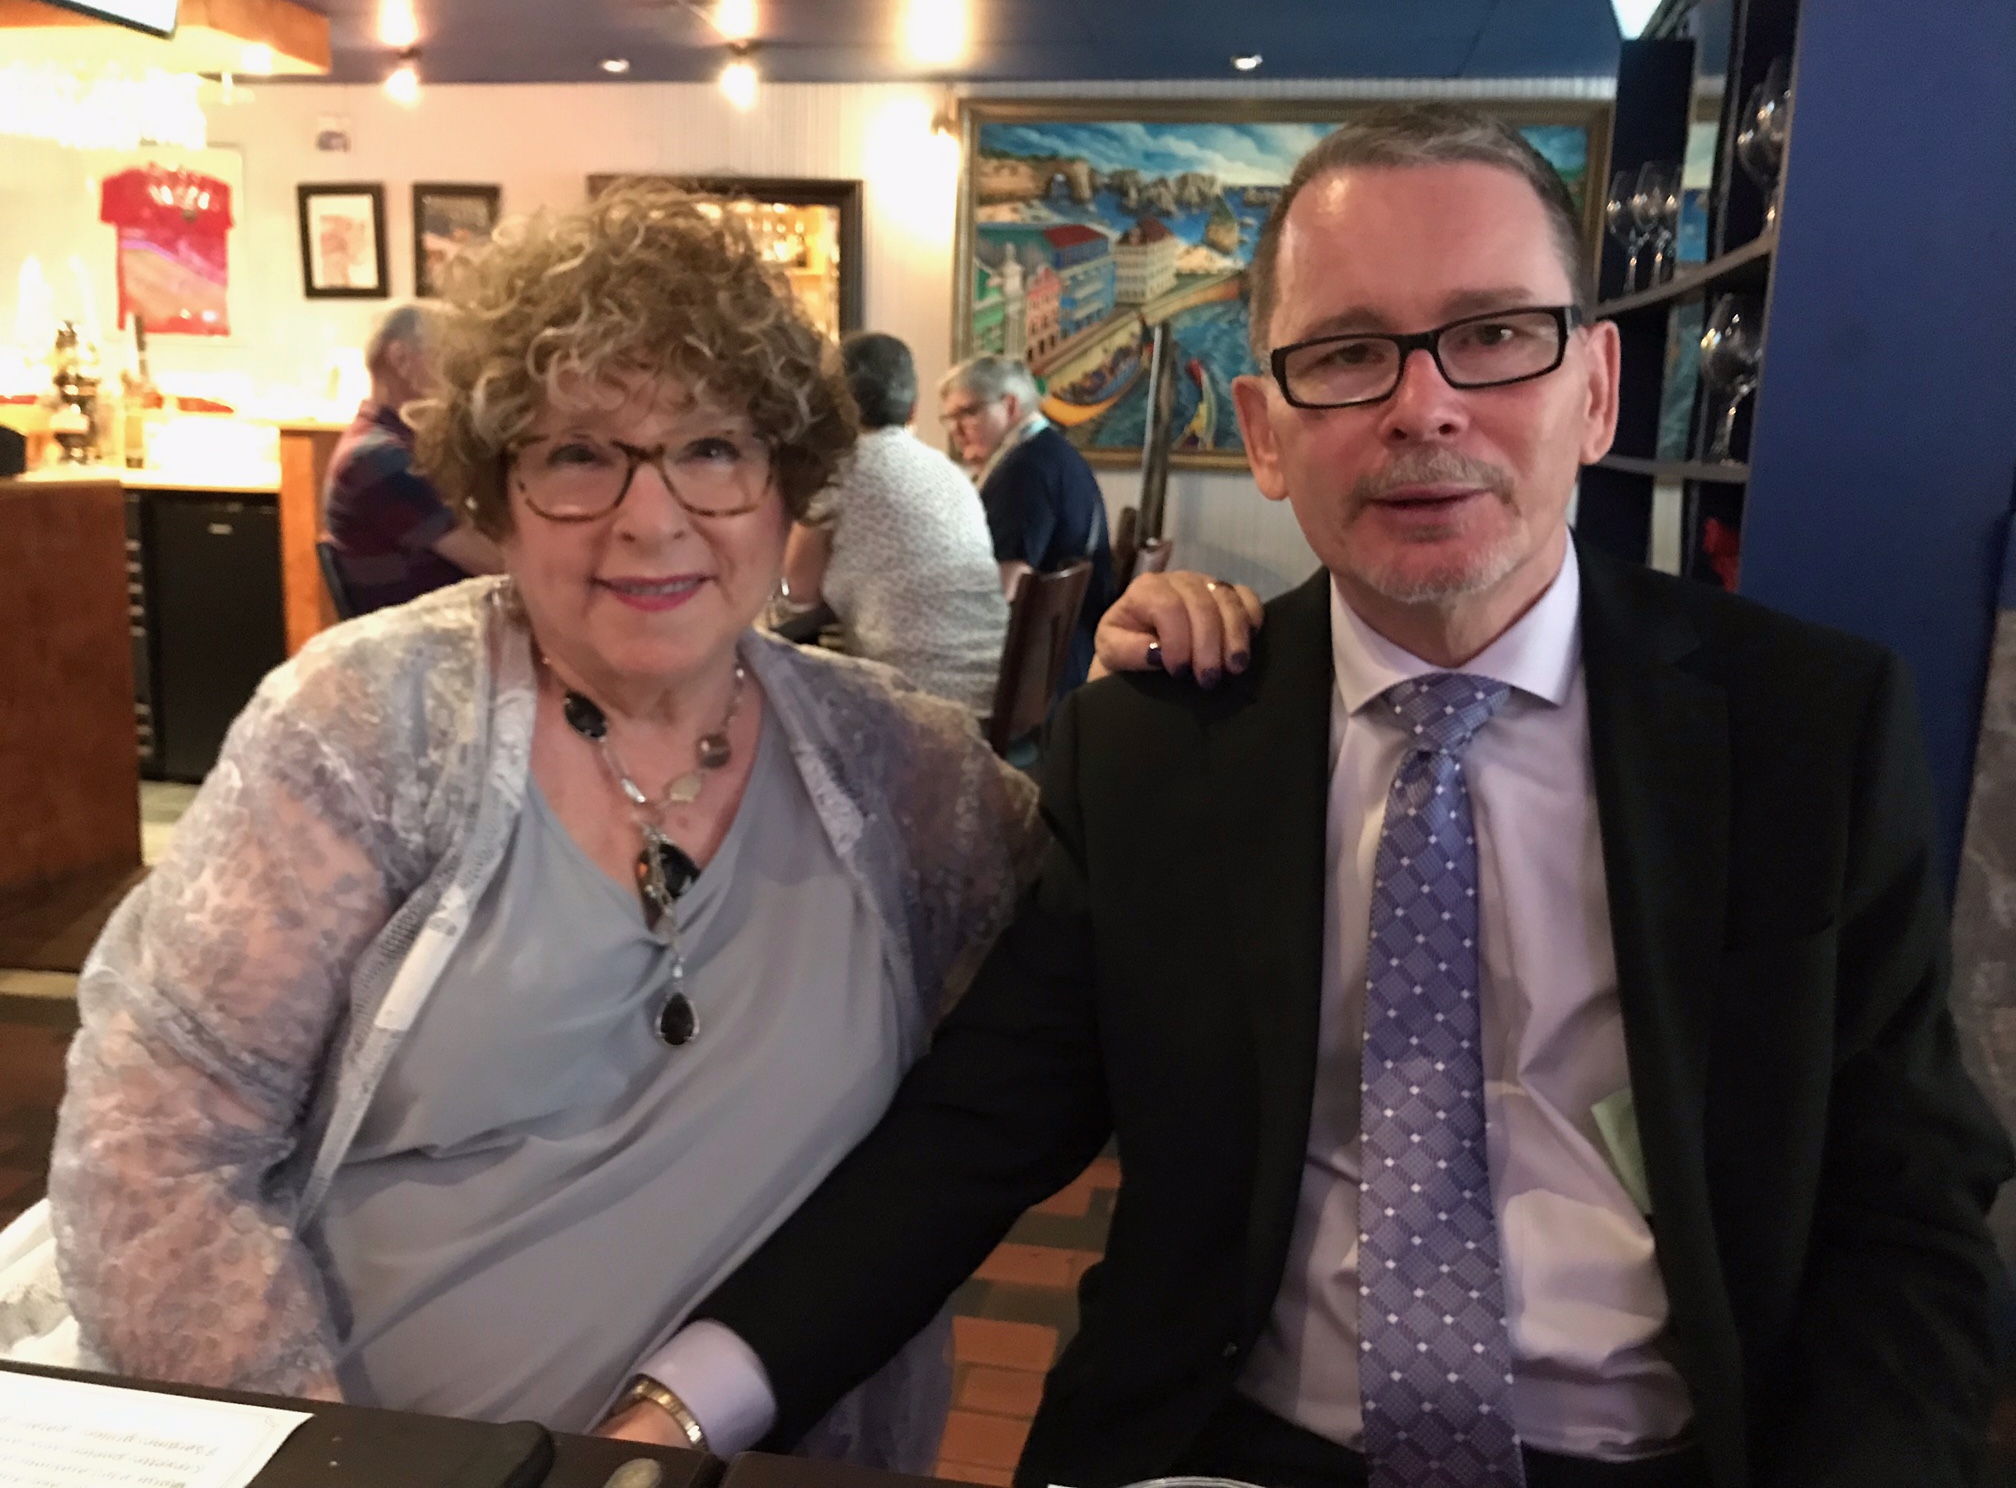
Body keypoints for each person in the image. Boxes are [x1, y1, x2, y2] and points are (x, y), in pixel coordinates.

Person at [612, 107, 2013, 1487]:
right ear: (1266, 433)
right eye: (1347, 355)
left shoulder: (1802, 729)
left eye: (1493, 335)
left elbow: (1905, 1203)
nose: (1424, 406)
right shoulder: (1158, 747)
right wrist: (681, 1407)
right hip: (1236, 1449)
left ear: (1596, 391)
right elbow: (973, 1136)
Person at [37, 185, 1041, 1470]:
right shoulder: (365, 729)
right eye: (578, 455)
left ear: (787, 486)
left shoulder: (905, 774)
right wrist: (339, 1464)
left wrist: (1188, 674)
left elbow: (1115, 953)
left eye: (713, 449)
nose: (651, 517)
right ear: (496, 493)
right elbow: (154, 1149)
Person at [781, 333, 1008, 717]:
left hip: (912, 705)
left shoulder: (839, 470)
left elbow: (798, 594)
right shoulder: (949, 472)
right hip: (995, 695)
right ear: (914, 410)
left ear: (833, 407)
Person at [941, 354, 1116, 695]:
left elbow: (1004, 589)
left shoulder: (1023, 469)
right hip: (1073, 650)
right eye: (949, 418)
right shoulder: (1052, 450)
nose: (955, 430)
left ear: (1009, 406)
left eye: (967, 413)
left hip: (1045, 670)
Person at [322, 302, 504, 614]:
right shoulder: (381, 459)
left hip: (438, 621)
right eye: (449, 357)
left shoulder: (388, 444)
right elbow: (495, 564)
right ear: (401, 359)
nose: (463, 376)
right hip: (427, 633)